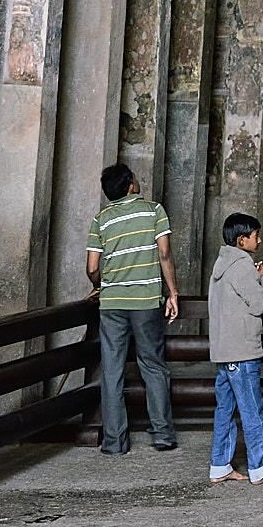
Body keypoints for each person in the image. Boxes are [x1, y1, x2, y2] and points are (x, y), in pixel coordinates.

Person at [86, 163, 180, 454]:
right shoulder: (154, 211)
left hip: (111, 303)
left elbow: (91, 268)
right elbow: (164, 253)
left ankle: (115, 442)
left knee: (112, 370)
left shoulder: (100, 220)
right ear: (130, 186)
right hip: (146, 301)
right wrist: (173, 293)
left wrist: (102, 285)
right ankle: (163, 434)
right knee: (152, 365)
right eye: (135, 179)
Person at [208, 213, 263, 485]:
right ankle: (259, 469)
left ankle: (220, 465)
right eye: (255, 236)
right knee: (252, 410)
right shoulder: (242, 267)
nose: (259, 240)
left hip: (224, 352)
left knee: (225, 411)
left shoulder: (222, 264)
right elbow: (260, 304)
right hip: (242, 352)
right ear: (242, 240)